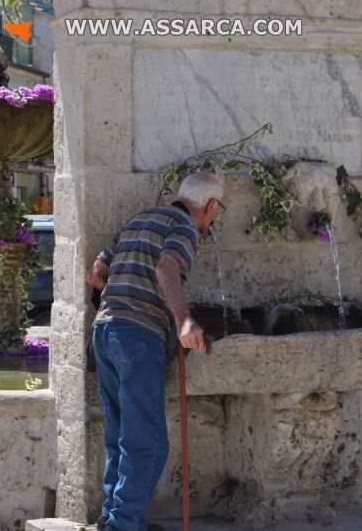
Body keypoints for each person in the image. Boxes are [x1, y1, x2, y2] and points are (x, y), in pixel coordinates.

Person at [86, 172, 227, 531]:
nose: (215, 217)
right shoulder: (184, 226)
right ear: (210, 205)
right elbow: (167, 266)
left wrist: (118, 296)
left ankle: (113, 517)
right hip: (138, 334)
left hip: (104, 331)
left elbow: (97, 272)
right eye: (218, 210)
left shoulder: (140, 219)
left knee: (122, 434)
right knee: (148, 442)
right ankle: (122, 525)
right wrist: (183, 321)